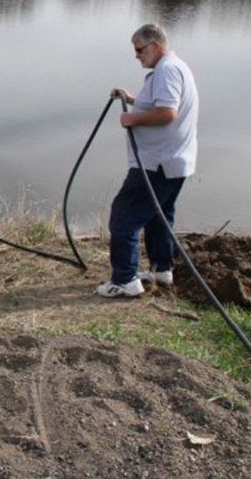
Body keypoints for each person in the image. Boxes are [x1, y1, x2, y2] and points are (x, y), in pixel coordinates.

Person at [96, 23, 199, 298]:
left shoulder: (166, 71)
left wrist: (132, 118)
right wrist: (130, 99)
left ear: (155, 45)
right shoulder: (174, 68)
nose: (137, 55)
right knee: (158, 216)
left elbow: (167, 112)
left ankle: (125, 280)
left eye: (139, 49)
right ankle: (160, 270)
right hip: (175, 162)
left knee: (124, 216)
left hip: (157, 164)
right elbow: (157, 105)